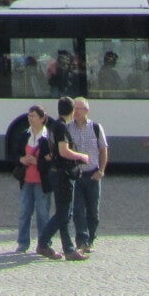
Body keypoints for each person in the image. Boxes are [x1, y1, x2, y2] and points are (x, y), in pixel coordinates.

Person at [42, 98, 88, 260]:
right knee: (63, 214)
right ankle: (43, 243)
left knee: (64, 213)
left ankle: (68, 249)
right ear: (72, 111)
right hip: (62, 174)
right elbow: (63, 151)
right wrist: (81, 156)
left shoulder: (54, 125)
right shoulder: (61, 127)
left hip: (56, 172)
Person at [66, 94, 109, 256]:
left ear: (86, 110)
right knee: (78, 210)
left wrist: (101, 170)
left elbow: (103, 149)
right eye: (74, 109)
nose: (76, 112)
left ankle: (91, 238)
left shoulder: (96, 127)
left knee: (93, 211)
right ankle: (82, 241)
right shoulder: (68, 128)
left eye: (79, 109)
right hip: (76, 175)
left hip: (92, 174)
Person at [11, 105, 53, 256]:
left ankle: (44, 243)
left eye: (33, 116)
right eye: (29, 116)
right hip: (26, 180)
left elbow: (52, 162)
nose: (30, 118)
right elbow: (14, 154)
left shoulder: (48, 137)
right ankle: (22, 243)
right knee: (24, 212)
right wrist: (21, 159)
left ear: (42, 118)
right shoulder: (24, 135)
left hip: (42, 181)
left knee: (42, 214)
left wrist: (37, 162)